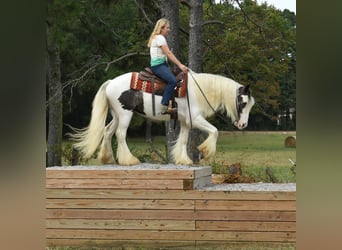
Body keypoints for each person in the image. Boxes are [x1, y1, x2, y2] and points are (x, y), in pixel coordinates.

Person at [147, 18, 188, 114]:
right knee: (172, 81)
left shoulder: (156, 37)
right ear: (161, 28)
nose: (169, 30)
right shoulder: (160, 38)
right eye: (167, 28)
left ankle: (171, 103)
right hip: (159, 66)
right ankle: (164, 105)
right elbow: (168, 54)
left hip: (161, 65)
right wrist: (180, 65)